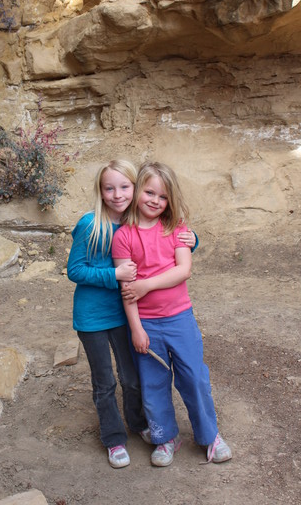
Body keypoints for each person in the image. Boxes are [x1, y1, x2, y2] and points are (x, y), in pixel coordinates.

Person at [67, 159, 197, 469]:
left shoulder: (135, 221)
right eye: (109, 188)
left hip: (126, 314)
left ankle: (139, 423)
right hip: (93, 318)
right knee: (105, 381)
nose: (117, 194)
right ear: (100, 192)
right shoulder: (91, 224)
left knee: (132, 376)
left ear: (135, 189)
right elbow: (74, 270)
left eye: (125, 187)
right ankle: (114, 439)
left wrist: (192, 242)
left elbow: (162, 242)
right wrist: (114, 275)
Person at [112, 161, 232, 467]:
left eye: (162, 197)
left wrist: (146, 285)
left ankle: (209, 436)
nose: (155, 200)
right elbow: (128, 292)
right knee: (153, 385)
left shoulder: (176, 228)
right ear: (138, 190)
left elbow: (184, 270)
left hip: (180, 318)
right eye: (149, 192)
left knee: (194, 378)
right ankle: (165, 438)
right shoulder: (123, 236)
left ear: (170, 200)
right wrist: (136, 329)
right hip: (147, 324)